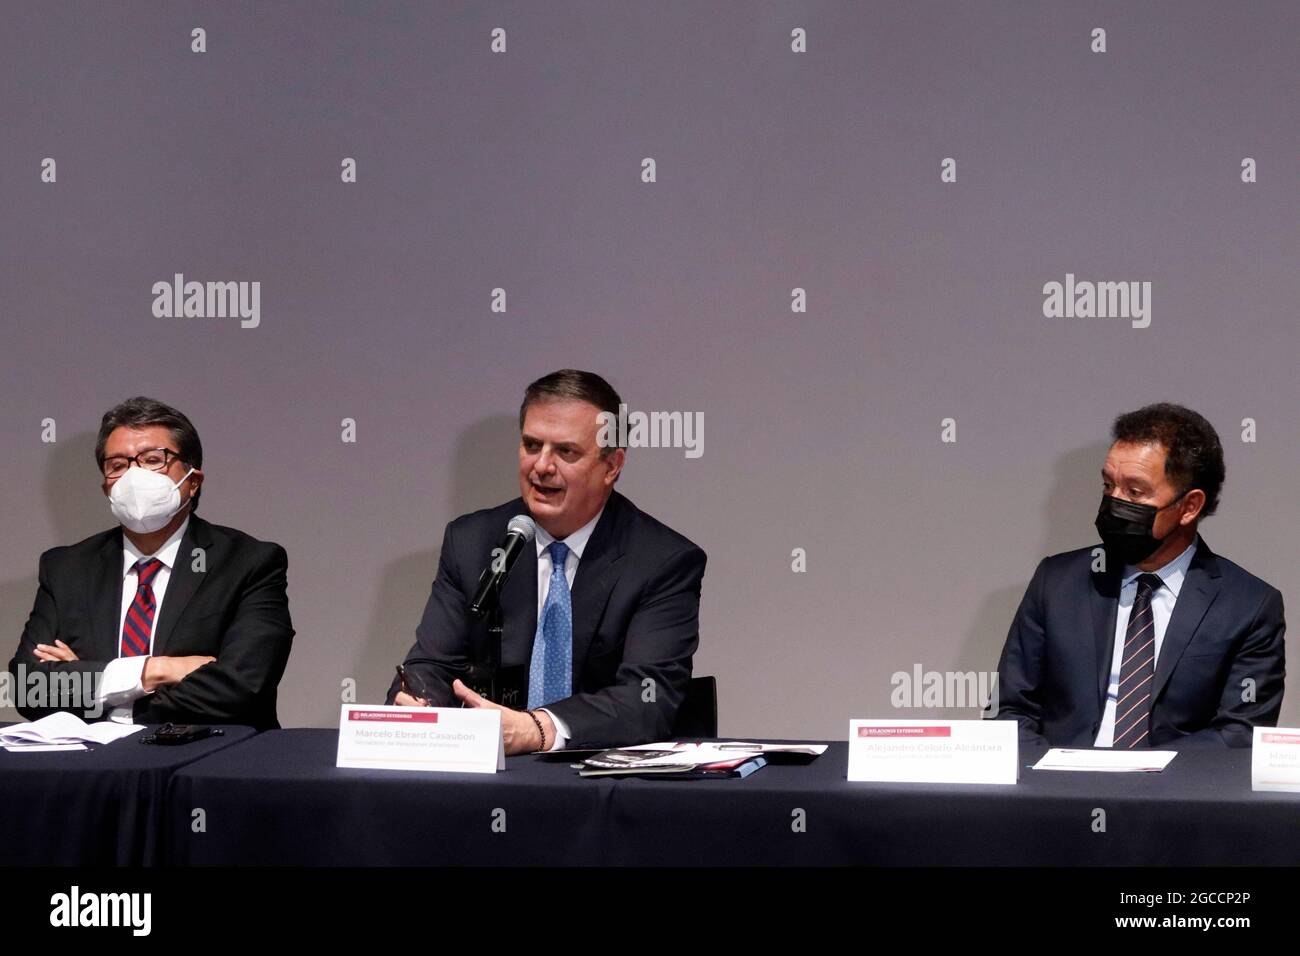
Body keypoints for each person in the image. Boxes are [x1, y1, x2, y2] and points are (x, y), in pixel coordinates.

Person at [388, 369, 707, 753]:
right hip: (487, 782)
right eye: (532, 445)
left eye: (565, 451)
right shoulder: (472, 543)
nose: (541, 466)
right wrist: (420, 703)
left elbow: (646, 700)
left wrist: (536, 729)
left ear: (612, 466)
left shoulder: (662, 562)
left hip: (602, 789)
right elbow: (431, 665)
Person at [996, 403, 1285, 749]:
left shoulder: (1249, 606)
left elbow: (1239, 733)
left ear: (1189, 507)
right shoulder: (1057, 582)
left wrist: (1137, 776)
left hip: (1173, 796)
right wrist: (1054, 780)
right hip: (1060, 789)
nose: (1115, 502)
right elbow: (1010, 709)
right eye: (1108, 486)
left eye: (1134, 492)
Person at [8, 397, 294, 729]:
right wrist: (157, 670)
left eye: (152, 460)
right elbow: (31, 689)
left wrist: (100, 686)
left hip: (209, 765)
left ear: (192, 479)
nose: (133, 476)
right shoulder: (67, 568)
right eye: (117, 465)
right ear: (106, 488)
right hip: (93, 769)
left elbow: (242, 687)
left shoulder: (248, 563)